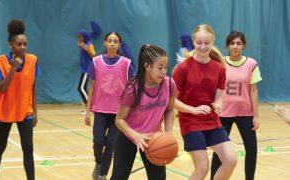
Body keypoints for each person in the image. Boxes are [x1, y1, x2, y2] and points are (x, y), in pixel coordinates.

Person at [173, 24, 237, 180]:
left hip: (212, 122)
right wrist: (192, 110)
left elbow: (219, 96)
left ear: (212, 42)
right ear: (194, 41)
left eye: (207, 43)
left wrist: (219, 104)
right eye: (199, 42)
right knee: (202, 168)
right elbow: (171, 101)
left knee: (231, 160)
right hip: (190, 122)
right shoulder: (182, 68)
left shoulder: (219, 69)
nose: (203, 46)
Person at [110, 44, 177, 180]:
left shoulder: (169, 84)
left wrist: (168, 133)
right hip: (129, 136)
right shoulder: (132, 89)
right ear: (147, 66)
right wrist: (136, 135)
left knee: (158, 178)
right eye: (160, 68)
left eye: (166, 67)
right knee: (119, 176)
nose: (164, 72)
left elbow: (170, 110)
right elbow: (119, 120)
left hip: (154, 138)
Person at [0, 19, 40, 180]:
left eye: (25, 44)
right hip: (5, 110)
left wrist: (35, 112)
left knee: (28, 148)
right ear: (11, 44)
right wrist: (12, 68)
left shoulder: (32, 60)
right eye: (19, 44)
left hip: (25, 111)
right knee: (1, 145)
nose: (23, 47)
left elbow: (33, 87)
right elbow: (2, 88)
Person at [210, 31, 262, 180]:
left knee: (252, 149)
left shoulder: (251, 64)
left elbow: (253, 90)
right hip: (224, 113)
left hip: (245, 113)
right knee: (220, 151)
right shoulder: (220, 62)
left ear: (243, 45)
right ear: (227, 46)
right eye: (232, 43)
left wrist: (256, 115)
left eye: (238, 43)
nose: (235, 46)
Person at [85, 32, 135, 180]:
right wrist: (88, 111)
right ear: (105, 43)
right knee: (98, 141)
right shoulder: (96, 61)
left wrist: (131, 110)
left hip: (118, 113)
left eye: (115, 41)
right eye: (109, 41)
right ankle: (98, 162)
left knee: (111, 144)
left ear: (119, 45)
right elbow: (92, 87)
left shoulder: (126, 63)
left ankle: (103, 174)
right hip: (100, 110)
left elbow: (132, 87)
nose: (112, 43)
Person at [77, 21, 101, 114]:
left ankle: (89, 108)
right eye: (78, 36)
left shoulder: (89, 44)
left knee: (81, 88)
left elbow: (94, 55)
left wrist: (85, 47)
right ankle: (89, 106)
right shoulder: (86, 43)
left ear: (84, 36)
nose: (78, 38)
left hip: (88, 69)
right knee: (82, 87)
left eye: (80, 36)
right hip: (85, 69)